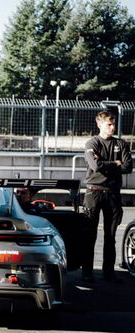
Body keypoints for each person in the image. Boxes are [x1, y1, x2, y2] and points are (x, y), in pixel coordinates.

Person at [82, 111, 133, 283]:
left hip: (112, 194)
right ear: (99, 125)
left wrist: (107, 164)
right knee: (90, 235)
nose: (112, 127)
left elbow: (128, 167)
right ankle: (87, 272)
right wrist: (115, 163)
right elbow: (95, 166)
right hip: (94, 192)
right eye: (109, 124)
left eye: (113, 124)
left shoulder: (121, 144)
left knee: (110, 236)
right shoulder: (92, 143)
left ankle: (108, 272)